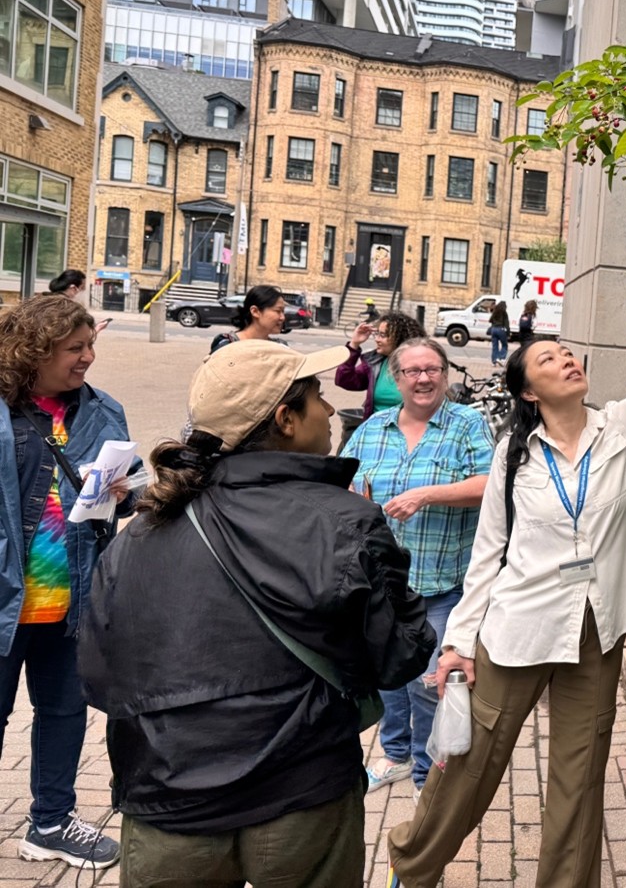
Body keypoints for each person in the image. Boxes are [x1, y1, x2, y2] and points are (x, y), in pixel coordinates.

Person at [386, 299, 626, 888]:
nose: (567, 361)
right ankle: (414, 862)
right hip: (518, 626)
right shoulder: (514, 455)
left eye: (567, 353)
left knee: (580, 777)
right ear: (529, 391)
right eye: (548, 359)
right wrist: (459, 643)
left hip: (596, 629)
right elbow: (489, 552)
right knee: (472, 762)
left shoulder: (620, 429)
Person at [79, 340, 436, 887]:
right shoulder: (345, 521)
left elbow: (100, 677)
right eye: (317, 396)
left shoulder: (144, 530)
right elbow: (401, 656)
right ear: (286, 419)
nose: (328, 409)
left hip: (166, 803)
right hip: (302, 796)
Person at [0, 294, 136, 869]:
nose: (88, 357)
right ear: (36, 350)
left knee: (63, 713)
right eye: (74, 348)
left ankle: (50, 823)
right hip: (8, 601)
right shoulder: (6, 412)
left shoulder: (103, 410)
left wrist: (130, 494)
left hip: (71, 601)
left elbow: (120, 490)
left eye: (90, 345)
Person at [342, 337, 492, 797]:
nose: (423, 378)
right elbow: (343, 483)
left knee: (431, 682)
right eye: (412, 371)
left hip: (442, 583)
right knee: (388, 675)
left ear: (445, 375)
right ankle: (396, 754)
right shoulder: (372, 429)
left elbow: (490, 484)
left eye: (432, 369)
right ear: (396, 378)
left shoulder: (468, 424)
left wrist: (427, 494)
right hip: (384, 584)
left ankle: (430, 774)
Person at [336, 312, 427, 421]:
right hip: (375, 432)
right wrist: (354, 344)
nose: (377, 339)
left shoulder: (422, 367)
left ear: (400, 338)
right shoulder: (375, 362)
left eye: (383, 335)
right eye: (377, 334)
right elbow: (344, 380)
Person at [210, 285, 286, 354]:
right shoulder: (226, 345)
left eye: (283, 312)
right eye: (278, 311)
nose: (282, 317)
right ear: (255, 311)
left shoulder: (280, 348)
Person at [488, 301, 510, 366]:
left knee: (495, 346)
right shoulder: (504, 312)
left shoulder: (495, 311)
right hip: (501, 329)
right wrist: (508, 333)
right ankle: (501, 358)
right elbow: (506, 324)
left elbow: (490, 320)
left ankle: (494, 361)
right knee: (504, 345)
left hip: (493, 329)